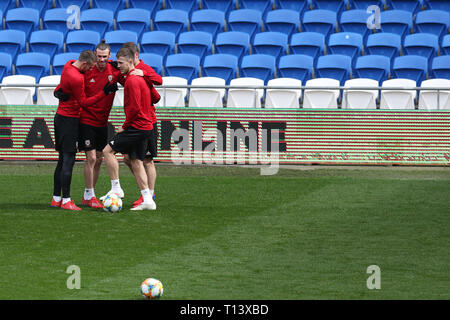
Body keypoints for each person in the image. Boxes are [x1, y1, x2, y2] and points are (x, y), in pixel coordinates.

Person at [51, 50, 118, 211]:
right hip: (70, 120)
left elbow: (61, 87)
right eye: (90, 67)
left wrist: (57, 91)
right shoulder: (78, 78)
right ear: (85, 64)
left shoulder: (68, 66)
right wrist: (104, 92)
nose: (90, 71)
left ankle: (56, 198)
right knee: (68, 159)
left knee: (62, 160)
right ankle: (66, 200)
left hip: (61, 118)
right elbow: (84, 103)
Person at [103, 42, 162, 208]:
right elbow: (154, 97)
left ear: (133, 59)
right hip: (144, 123)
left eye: (120, 63)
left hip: (141, 124)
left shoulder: (139, 75)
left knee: (140, 159)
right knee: (133, 159)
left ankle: (140, 193)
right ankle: (147, 198)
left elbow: (140, 104)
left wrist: (126, 124)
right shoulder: (132, 77)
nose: (118, 65)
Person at [78, 40, 121, 208]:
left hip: (103, 123)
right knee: (91, 158)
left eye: (105, 57)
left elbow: (131, 73)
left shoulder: (115, 71)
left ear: (110, 56)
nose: (102, 60)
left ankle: (90, 194)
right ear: (95, 55)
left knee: (98, 160)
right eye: (99, 56)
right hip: (87, 120)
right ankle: (88, 194)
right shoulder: (88, 70)